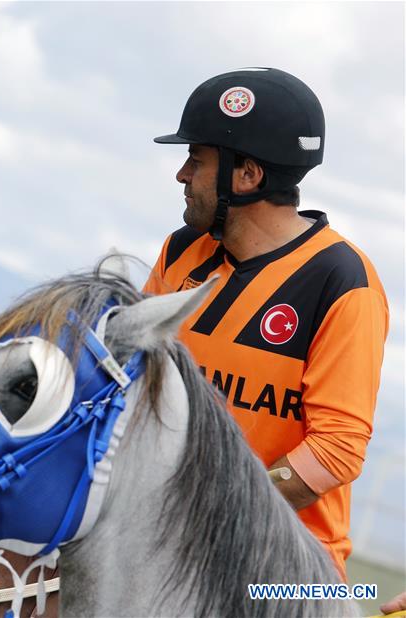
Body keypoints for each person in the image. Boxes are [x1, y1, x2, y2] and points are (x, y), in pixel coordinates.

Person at [144, 68, 389, 580]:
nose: (181, 175)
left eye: (196, 159)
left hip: (284, 567)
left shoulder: (342, 280)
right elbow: (131, 378)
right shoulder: (182, 251)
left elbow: (337, 449)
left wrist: (208, 509)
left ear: (247, 175)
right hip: (160, 535)